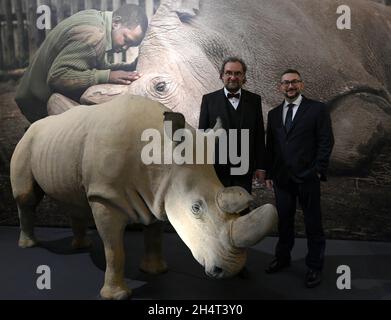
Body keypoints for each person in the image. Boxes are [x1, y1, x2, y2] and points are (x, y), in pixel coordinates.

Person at [15, 4, 148, 123]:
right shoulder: (94, 36)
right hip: (37, 102)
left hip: (33, 93)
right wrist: (107, 76)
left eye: (132, 45)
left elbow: (88, 65)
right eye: (126, 39)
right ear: (116, 23)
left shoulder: (96, 19)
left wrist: (129, 68)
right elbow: (57, 77)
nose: (125, 48)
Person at [264, 69, 334, 288]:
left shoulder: (317, 109)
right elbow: (271, 147)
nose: (290, 86)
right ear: (280, 87)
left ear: (301, 85)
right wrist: (269, 172)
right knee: (284, 222)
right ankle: (283, 258)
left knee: (313, 224)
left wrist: (318, 170)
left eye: (294, 82)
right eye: (286, 83)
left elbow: (326, 141)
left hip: (308, 178)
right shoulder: (274, 114)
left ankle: (314, 266)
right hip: (282, 179)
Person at [198, 57, 266, 194]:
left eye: (237, 73)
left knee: (242, 210)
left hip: (245, 169)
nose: (233, 77)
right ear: (222, 76)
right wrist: (202, 167)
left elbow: (258, 135)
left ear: (243, 77)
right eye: (228, 73)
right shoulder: (208, 100)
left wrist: (261, 167)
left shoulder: (255, 100)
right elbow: (202, 136)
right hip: (216, 169)